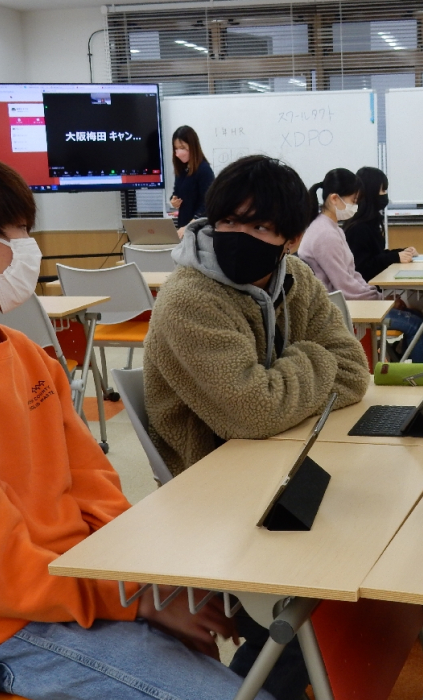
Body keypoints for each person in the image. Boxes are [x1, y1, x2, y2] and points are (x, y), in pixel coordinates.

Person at [0, 148, 288, 700]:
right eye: (19, 230)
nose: (30, 245)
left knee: (277, 637)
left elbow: (93, 480)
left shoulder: (21, 352)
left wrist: (143, 583)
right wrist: (135, 602)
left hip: (82, 585)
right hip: (10, 628)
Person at [144, 155, 369, 477]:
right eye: (229, 221)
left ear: (293, 240)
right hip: (211, 471)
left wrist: (278, 392)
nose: (239, 235)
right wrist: (317, 359)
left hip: (289, 447)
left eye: (259, 227)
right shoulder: (189, 300)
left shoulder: (296, 276)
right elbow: (255, 413)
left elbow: (354, 371)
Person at [298, 168, 423, 363]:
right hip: (342, 310)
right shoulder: (325, 235)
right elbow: (345, 287)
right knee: (415, 324)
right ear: (335, 199)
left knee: (414, 316)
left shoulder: (332, 229)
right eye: (353, 200)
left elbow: (353, 274)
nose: (355, 206)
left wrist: (379, 297)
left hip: (352, 303)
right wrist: (381, 300)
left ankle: (405, 371)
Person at [343, 166, 417, 281]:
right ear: (370, 192)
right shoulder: (358, 228)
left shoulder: (371, 222)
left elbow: (377, 255)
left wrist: (402, 252)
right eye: (382, 190)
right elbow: (361, 269)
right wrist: (394, 257)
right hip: (366, 288)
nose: (385, 194)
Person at [170, 125, 215, 239]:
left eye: (182, 147)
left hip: (199, 230)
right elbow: (177, 192)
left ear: (192, 146)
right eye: (176, 148)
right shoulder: (181, 170)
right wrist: (174, 200)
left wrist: (189, 226)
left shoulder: (204, 170)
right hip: (183, 228)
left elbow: (207, 204)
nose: (178, 152)